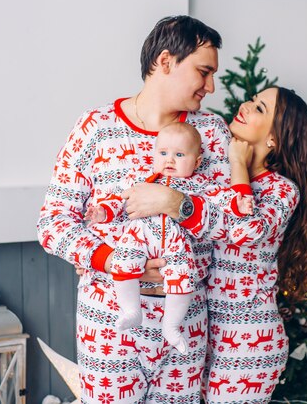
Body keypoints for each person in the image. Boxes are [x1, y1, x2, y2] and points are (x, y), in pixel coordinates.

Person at [37, 15, 231, 403]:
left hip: (186, 328)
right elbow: (53, 223)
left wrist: (175, 202)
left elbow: (232, 225)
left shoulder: (212, 133)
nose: (210, 86)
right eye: (203, 71)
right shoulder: (95, 128)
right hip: (108, 326)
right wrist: (111, 259)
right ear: (164, 62)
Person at [180, 86, 307, 403]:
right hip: (205, 330)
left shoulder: (282, 190)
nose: (246, 105)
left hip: (250, 340)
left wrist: (238, 165)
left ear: (274, 137)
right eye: (253, 99)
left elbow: (245, 229)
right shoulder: (217, 175)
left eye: (260, 108)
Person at [84, 122, 252, 354]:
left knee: (183, 275)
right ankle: (131, 310)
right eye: (163, 153)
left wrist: (239, 203)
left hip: (176, 241)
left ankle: (171, 326)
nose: (169, 160)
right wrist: (103, 212)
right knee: (123, 261)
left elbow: (223, 199)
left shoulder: (200, 184)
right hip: (139, 234)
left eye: (179, 154)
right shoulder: (142, 179)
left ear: (197, 161)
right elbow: (119, 200)